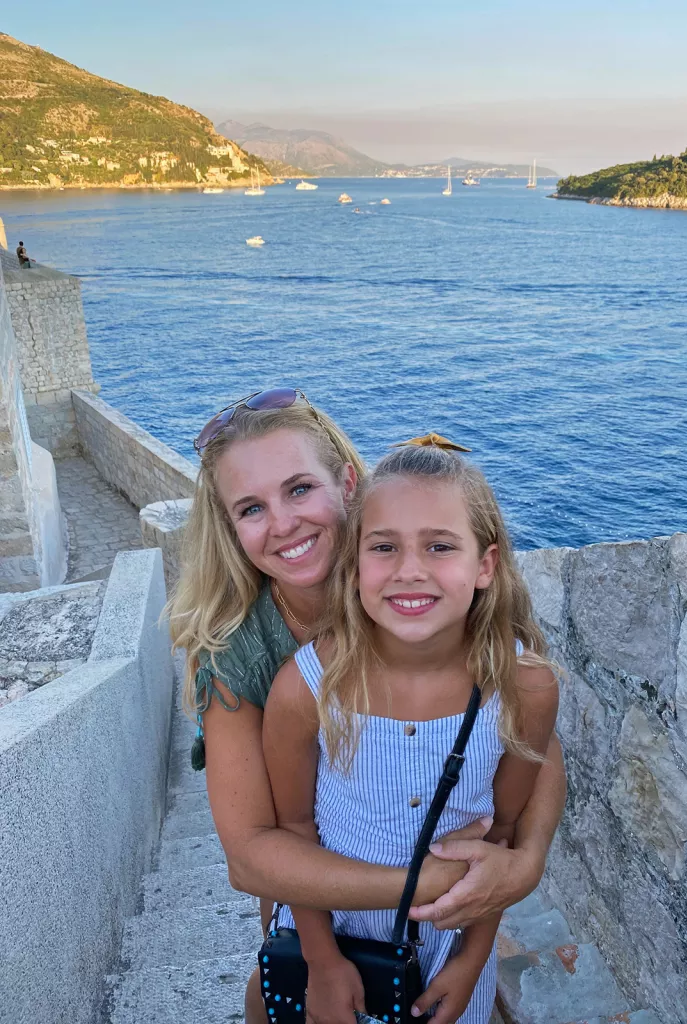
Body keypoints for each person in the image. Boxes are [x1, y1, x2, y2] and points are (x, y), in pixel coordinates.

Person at [169, 388, 566, 1024]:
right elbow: (253, 855)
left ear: (349, 484)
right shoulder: (245, 658)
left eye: (300, 489)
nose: (284, 523)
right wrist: (424, 889)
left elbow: (530, 742)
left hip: (445, 918)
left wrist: (521, 867)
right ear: (230, 527)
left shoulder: (443, 594)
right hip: (322, 903)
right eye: (251, 508)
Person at [263, 439, 559, 1024]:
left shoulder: (524, 686)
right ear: (355, 566)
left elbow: (501, 833)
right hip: (333, 937)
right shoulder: (306, 690)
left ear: (485, 565)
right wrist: (322, 964)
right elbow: (291, 830)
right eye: (384, 547)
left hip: (449, 949)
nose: (410, 571)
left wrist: (473, 960)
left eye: (440, 546)